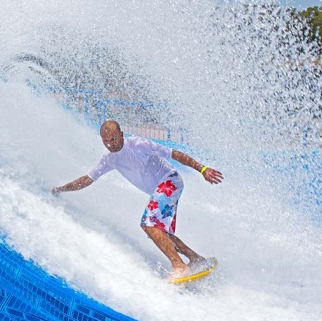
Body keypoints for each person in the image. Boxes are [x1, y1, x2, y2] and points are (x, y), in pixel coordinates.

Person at [51, 120, 223, 281]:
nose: (110, 144)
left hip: (170, 180)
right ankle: (196, 259)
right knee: (159, 232)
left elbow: (174, 154)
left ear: (121, 134)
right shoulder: (110, 159)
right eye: (105, 141)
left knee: (148, 224)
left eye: (113, 139)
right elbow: (87, 179)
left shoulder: (139, 145)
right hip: (162, 188)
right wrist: (61, 189)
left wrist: (203, 169)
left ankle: (179, 265)